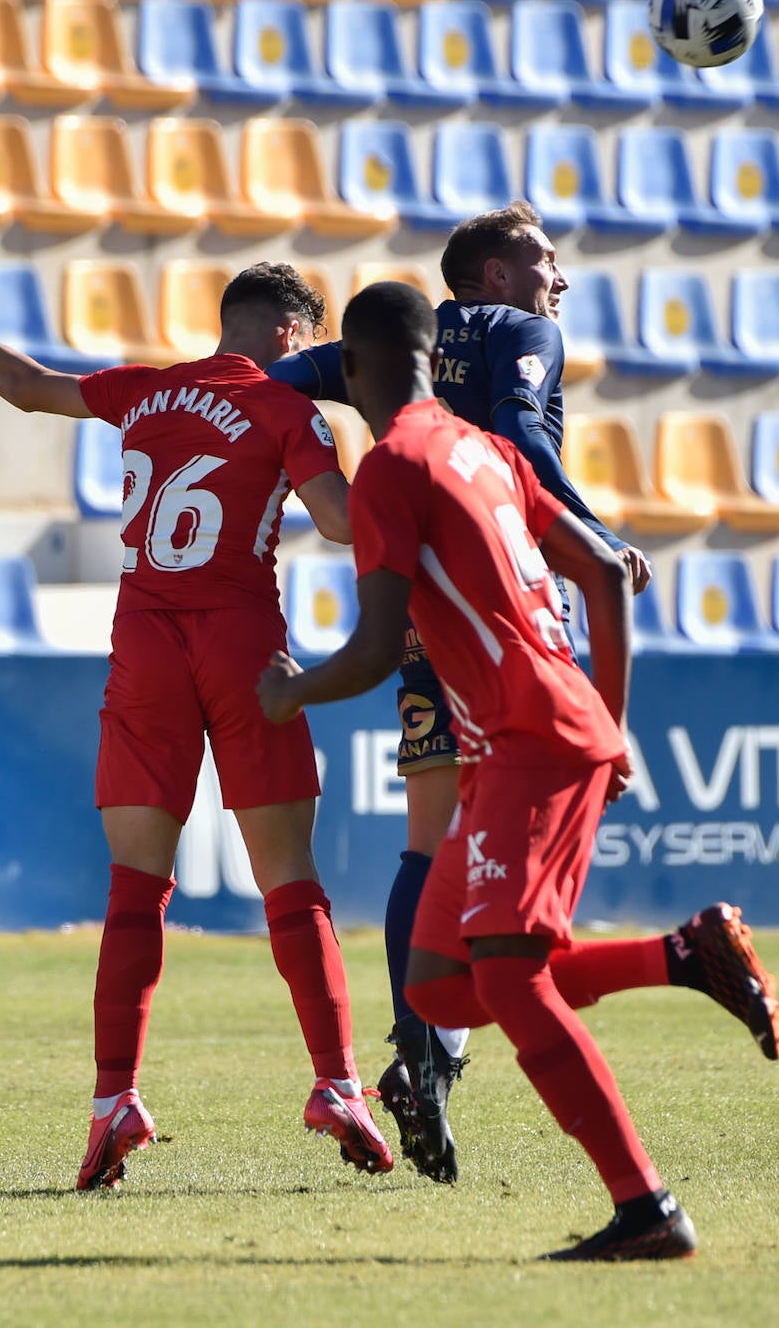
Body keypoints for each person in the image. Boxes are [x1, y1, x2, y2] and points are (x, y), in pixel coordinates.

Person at [258, 280, 779, 1261]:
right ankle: (682, 957)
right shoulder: (485, 448)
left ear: (359, 372)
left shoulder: (388, 468)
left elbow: (376, 649)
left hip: (528, 737)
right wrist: (614, 722)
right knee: (437, 987)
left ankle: (645, 1208)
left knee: (504, 975)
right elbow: (602, 568)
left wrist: (292, 693)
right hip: (533, 732)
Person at [0, 261, 394, 1189]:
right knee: (291, 880)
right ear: (295, 335)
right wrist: (389, 450)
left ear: (229, 323)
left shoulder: (148, 389)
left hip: (145, 645)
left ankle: (112, 1101)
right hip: (246, 646)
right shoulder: (292, 412)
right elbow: (336, 523)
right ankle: (336, 1086)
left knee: (136, 886)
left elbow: (26, 387)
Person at [267, 202, 654, 1182]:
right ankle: (439, 1053)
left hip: (415, 616)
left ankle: (420, 1048)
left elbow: (274, 385)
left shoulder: (388, 347)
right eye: (540, 260)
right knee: (495, 895)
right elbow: (523, 435)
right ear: (485, 276)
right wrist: (591, 537)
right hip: (506, 603)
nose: (556, 279)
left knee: (425, 835)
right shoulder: (521, 333)